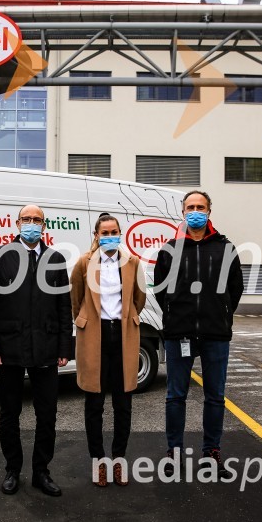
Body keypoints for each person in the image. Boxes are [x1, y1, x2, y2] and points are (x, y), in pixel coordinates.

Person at [0, 204, 72, 497]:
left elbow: (63, 307)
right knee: (10, 413)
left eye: (37, 220)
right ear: (17, 223)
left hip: (45, 348)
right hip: (10, 349)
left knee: (48, 414)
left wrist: (64, 346)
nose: (32, 224)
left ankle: (41, 471)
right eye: (27, 219)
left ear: (45, 226)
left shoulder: (55, 259)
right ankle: (12, 470)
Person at [153, 190, 244, 478]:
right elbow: (159, 290)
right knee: (175, 397)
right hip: (178, 333)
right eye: (190, 207)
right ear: (183, 212)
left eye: (200, 207)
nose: (195, 211)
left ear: (209, 212)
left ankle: (211, 454)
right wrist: (174, 314)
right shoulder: (169, 250)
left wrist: (222, 313)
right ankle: (174, 453)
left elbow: (235, 288)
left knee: (215, 397)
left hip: (216, 334)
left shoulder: (225, 248)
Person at [70, 214, 146, 487]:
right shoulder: (83, 263)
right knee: (95, 403)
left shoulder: (133, 263)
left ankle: (119, 460)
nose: (110, 235)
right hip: (95, 336)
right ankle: (99, 462)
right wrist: (86, 322)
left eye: (115, 231)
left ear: (120, 233)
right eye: (105, 232)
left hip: (123, 335)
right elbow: (75, 298)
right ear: (97, 234)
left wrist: (127, 318)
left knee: (123, 403)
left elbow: (140, 297)